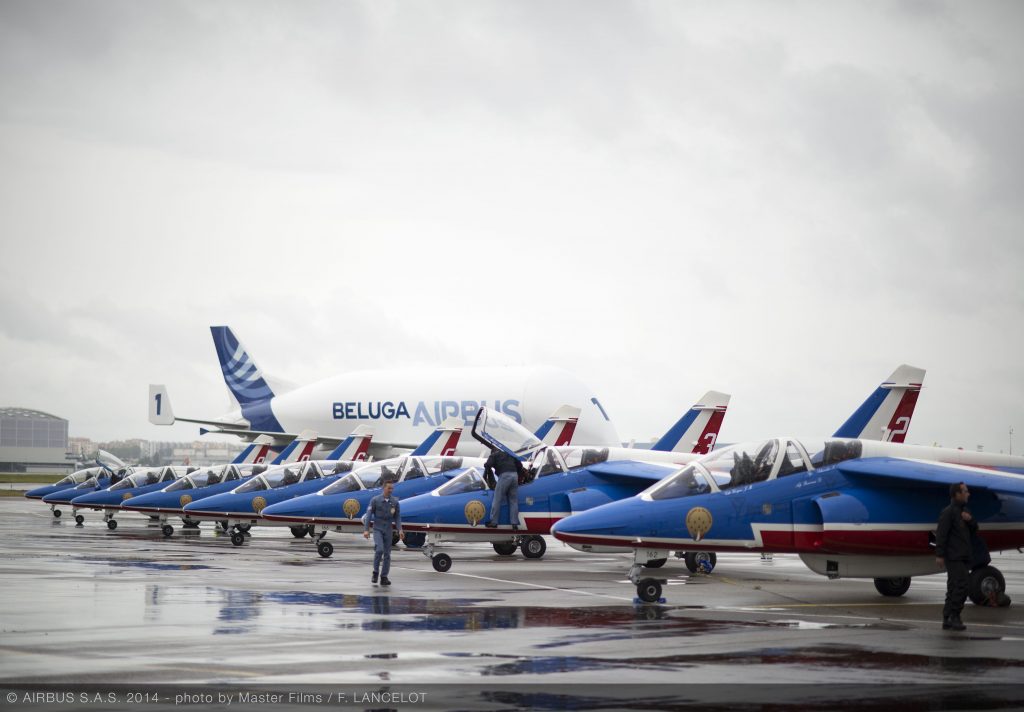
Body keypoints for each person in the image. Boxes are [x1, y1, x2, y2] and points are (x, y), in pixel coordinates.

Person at [935, 481, 976, 631]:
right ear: (957, 494)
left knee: (953, 587)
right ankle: (955, 616)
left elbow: (975, 529)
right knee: (962, 586)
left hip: (964, 556)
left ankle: (947, 618)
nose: (968, 494)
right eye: (965, 491)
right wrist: (939, 554)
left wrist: (970, 520)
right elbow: (941, 534)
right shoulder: (948, 512)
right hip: (954, 557)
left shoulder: (965, 511)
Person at [363, 479, 403, 585]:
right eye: (389, 488)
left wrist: (400, 530)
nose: (391, 490)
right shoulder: (375, 500)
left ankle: (384, 576)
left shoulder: (394, 502)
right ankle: (375, 572)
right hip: (378, 529)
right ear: (383, 488)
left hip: (388, 530)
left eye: (392, 488)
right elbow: (368, 515)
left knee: (387, 555)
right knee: (379, 550)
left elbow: (397, 517)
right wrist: (366, 530)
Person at [484, 446, 521, 529]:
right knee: (513, 500)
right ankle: (514, 524)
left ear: (493, 451)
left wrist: (486, 465)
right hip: (515, 476)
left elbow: (488, 464)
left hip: (505, 475)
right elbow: (520, 465)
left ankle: (494, 522)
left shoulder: (494, 455)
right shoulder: (509, 454)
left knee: (497, 497)